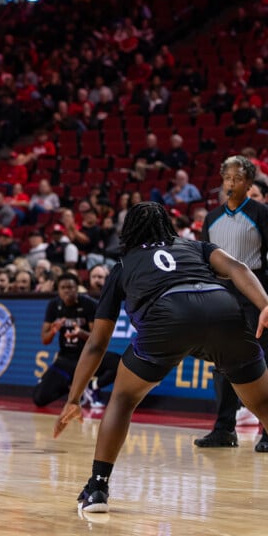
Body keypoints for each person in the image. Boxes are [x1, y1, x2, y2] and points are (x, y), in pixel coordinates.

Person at [54, 202, 268, 513]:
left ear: (128, 232)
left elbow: (96, 344)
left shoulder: (124, 265)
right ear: (167, 225)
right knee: (262, 403)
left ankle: (97, 488)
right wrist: (264, 305)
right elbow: (239, 268)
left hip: (169, 316)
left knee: (123, 399)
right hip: (221, 306)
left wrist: (74, 399)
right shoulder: (195, 246)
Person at [195, 156, 268, 452]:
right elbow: (204, 259)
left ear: (249, 183)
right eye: (227, 177)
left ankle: (267, 431)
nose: (231, 183)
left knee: (263, 361)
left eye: (238, 178)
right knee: (223, 363)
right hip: (220, 294)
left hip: (255, 292)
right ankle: (224, 429)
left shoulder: (261, 213)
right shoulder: (211, 218)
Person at [34, 273, 118, 407]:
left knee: (119, 364)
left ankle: (91, 387)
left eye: (70, 287)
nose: (67, 290)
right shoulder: (54, 305)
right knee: (39, 399)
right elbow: (45, 340)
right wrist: (53, 330)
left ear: (77, 288)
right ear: (58, 290)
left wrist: (81, 334)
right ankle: (73, 388)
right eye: (63, 287)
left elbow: (99, 338)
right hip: (66, 360)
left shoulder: (89, 304)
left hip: (88, 358)